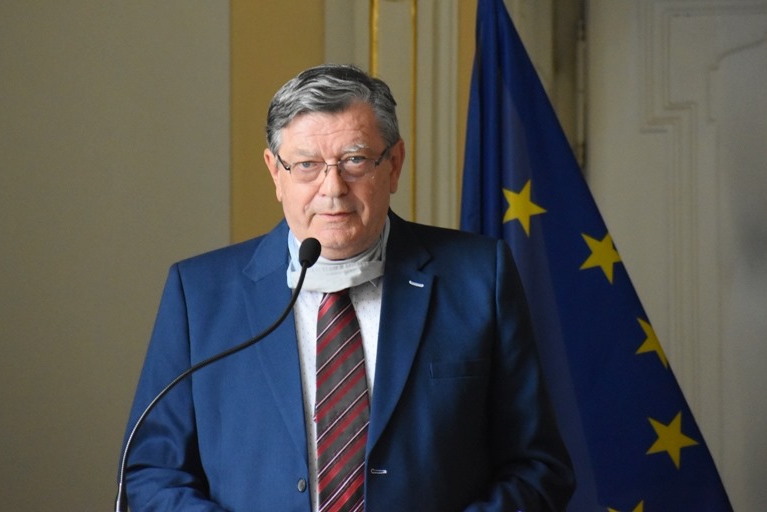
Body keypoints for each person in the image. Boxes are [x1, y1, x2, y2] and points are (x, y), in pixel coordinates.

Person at [120, 64, 574, 511]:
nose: (332, 188)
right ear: (275, 172)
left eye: (354, 160)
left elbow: (538, 466)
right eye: (307, 165)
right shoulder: (199, 295)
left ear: (393, 164)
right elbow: (152, 472)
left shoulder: (479, 277)